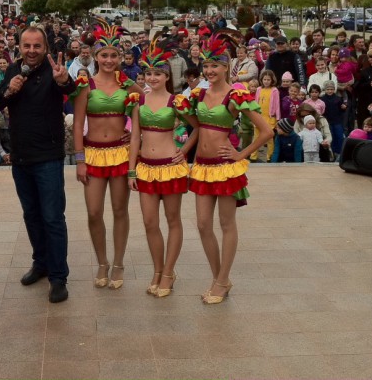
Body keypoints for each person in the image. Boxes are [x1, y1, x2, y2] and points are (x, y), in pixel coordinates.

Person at [0, 25, 77, 303]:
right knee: (31, 215)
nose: (31, 51)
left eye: (37, 46)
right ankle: (40, 263)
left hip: (48, 157)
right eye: (26, 46)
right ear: (19, 46)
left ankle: (58, 276)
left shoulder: (54, 70)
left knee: (53, 217)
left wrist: (63, 80)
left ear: (45, 48)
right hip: (21, 156)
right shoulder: (13, 71)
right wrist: (9, 91)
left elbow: (70, 87)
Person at [188, 35, 273, 305]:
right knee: (203, 225)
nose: (210, 71)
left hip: (225, 168)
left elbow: (266, 130)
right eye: (206, 66)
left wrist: (240, 154)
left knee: (226, 224)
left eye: (215, 66)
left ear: (226, 67)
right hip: (201, 167)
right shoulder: (198, 94)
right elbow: (192, 123)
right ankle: (220, 278)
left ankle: (221, 281)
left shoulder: (236, 95)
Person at [70, 20, 141, 291]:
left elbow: (144, 114)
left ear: (120, 57)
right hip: (93, 154)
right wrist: (79, 160)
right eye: (104, 55)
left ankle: (119, 262)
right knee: (93, 211)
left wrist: (133, 132)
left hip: (121, 155)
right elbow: (77, 124)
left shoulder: (129, 86)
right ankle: (102, 261)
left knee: (120, 210)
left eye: (114, 55)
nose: (109, 60)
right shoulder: (85, 84)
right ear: (95, 57)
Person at [127, 37, 197, 297]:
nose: (153, 78)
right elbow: (135, 137)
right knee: (149, 222)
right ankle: (158, 270)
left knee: (172, 220)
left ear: (167, 76)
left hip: (170, 166)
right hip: (145, 167)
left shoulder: (176, 102)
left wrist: (184, 152)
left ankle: (168, 272)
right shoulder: (138, 101)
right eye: (149, 73)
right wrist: (131, 170)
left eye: (158, 73)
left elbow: (197, 127)